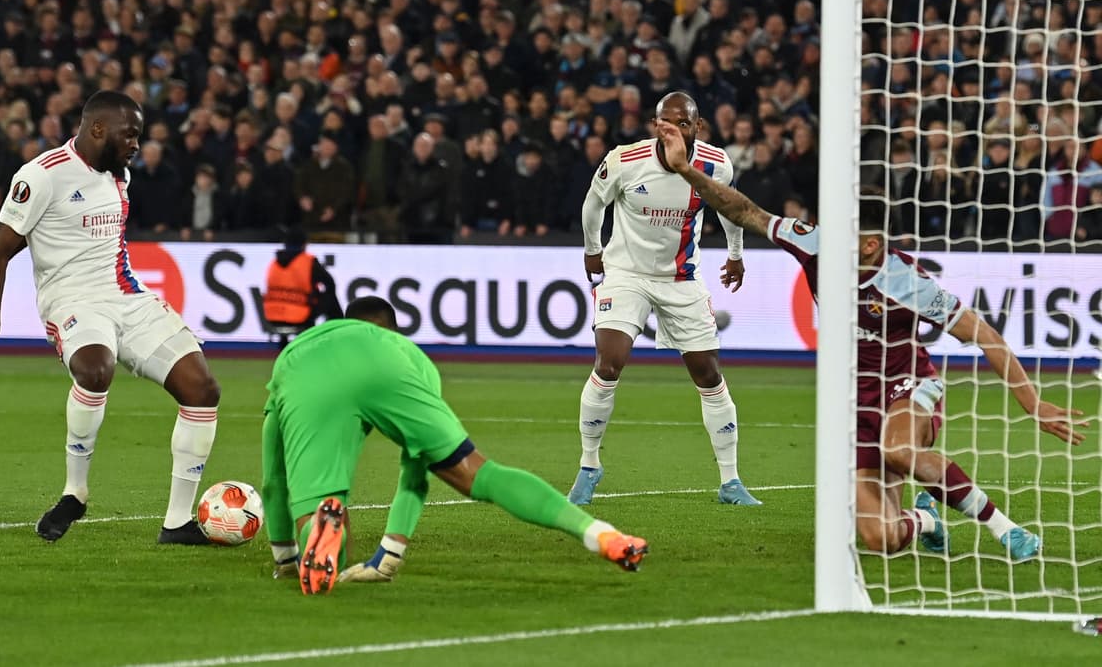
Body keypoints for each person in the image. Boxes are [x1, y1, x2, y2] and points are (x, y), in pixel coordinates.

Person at [656, 122, 1086, 559]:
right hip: (853, 403)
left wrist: (1032, 404)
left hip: (908, 386)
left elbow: (988, 337)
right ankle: (926, 518)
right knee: (882, 540)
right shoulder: (817, 244)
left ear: (870, 246)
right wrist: (685, 170)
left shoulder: (908, 282)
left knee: (899, 452)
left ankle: (1004, 529)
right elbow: (746, 211)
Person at [0, 90, 222, 545]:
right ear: (97, 128)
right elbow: (2, 248)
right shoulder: (40, 176)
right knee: (96, 370)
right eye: (130, 134)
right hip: (72, 301)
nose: (136, 145)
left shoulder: (118, 175)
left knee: (203, 389)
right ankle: (74, 493)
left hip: (126, 294)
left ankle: (178, 523)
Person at [261, 296, 648, 595]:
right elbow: (415, 471)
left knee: (318, 512)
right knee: (478, 472)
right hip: (390, 370)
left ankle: (319, 530)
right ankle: (599, 534)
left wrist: (283, 558)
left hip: (305, 374)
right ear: (392, 331)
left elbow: (274, 481)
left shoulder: (295, 352)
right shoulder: (410, 355)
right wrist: (389, 554)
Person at [571, 92, 762, 507]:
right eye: (665, 122)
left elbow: (729, 209)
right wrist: (592, 248)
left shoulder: (716, 164)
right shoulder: (624, 159)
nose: (672, 128)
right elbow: (593, 202)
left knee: (708, 374)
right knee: (609, 362)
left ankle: (730, 482)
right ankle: (589, 466)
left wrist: (735, 256)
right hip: (626, 274)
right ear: (656, 125)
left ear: (697, 126)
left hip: (681, 278)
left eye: (683, 122)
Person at [261, 226, 343, 349]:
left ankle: (284, 345)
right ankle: (338, 334)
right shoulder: (307, 262)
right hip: (300, 315)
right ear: (304, 244)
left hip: (272, 314)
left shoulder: (274, 263)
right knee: (330, 298)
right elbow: (330, 283)